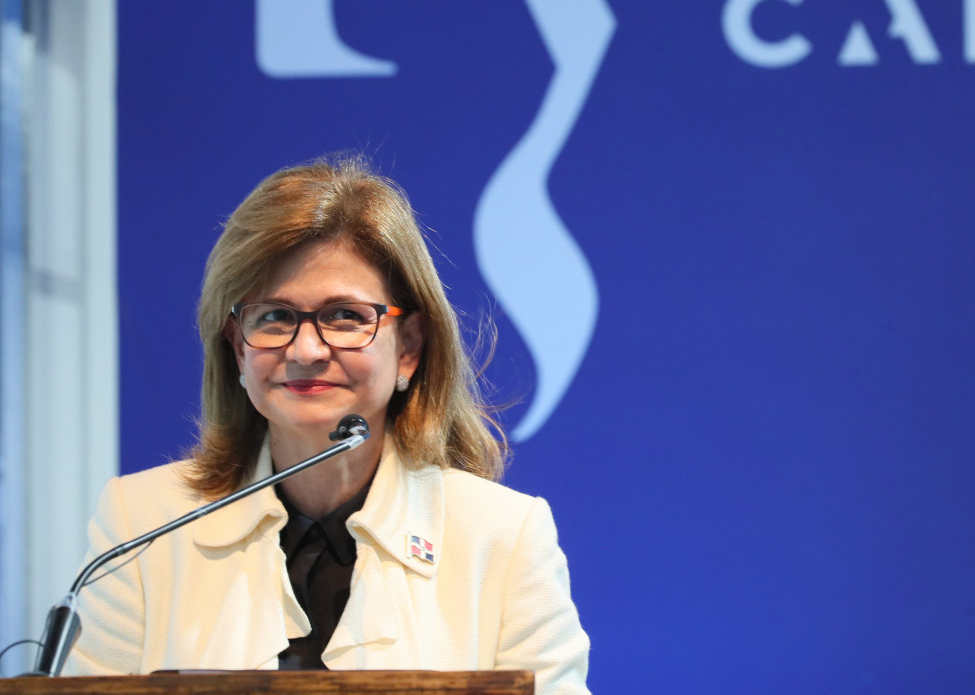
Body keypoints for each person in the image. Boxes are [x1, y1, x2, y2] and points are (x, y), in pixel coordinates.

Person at [64, 156, 590, 693]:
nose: (307, 351)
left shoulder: (503, 536)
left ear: (408, 347)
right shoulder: (140, 524)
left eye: (344, 316)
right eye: (274, 317)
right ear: (238, 349)